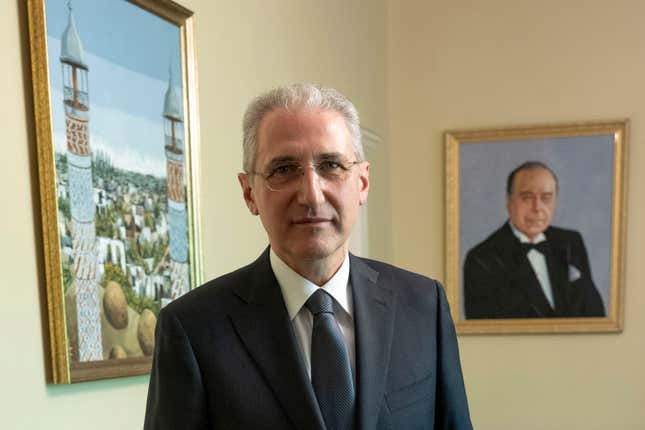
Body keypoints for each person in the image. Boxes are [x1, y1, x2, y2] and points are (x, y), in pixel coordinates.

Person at [144, 84, 472, 430]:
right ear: (249, 192)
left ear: (361, 183)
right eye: (284, 169)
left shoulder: (423, 306)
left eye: (331, 165)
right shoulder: (193, 328)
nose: (312, 194)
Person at [463, 161, 606, 319]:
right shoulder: (482, 259)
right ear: (509, 202)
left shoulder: (571, 242)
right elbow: (484, 333)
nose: (537, 208)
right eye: (526, 197)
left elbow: (593, 314)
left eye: (546, 198)